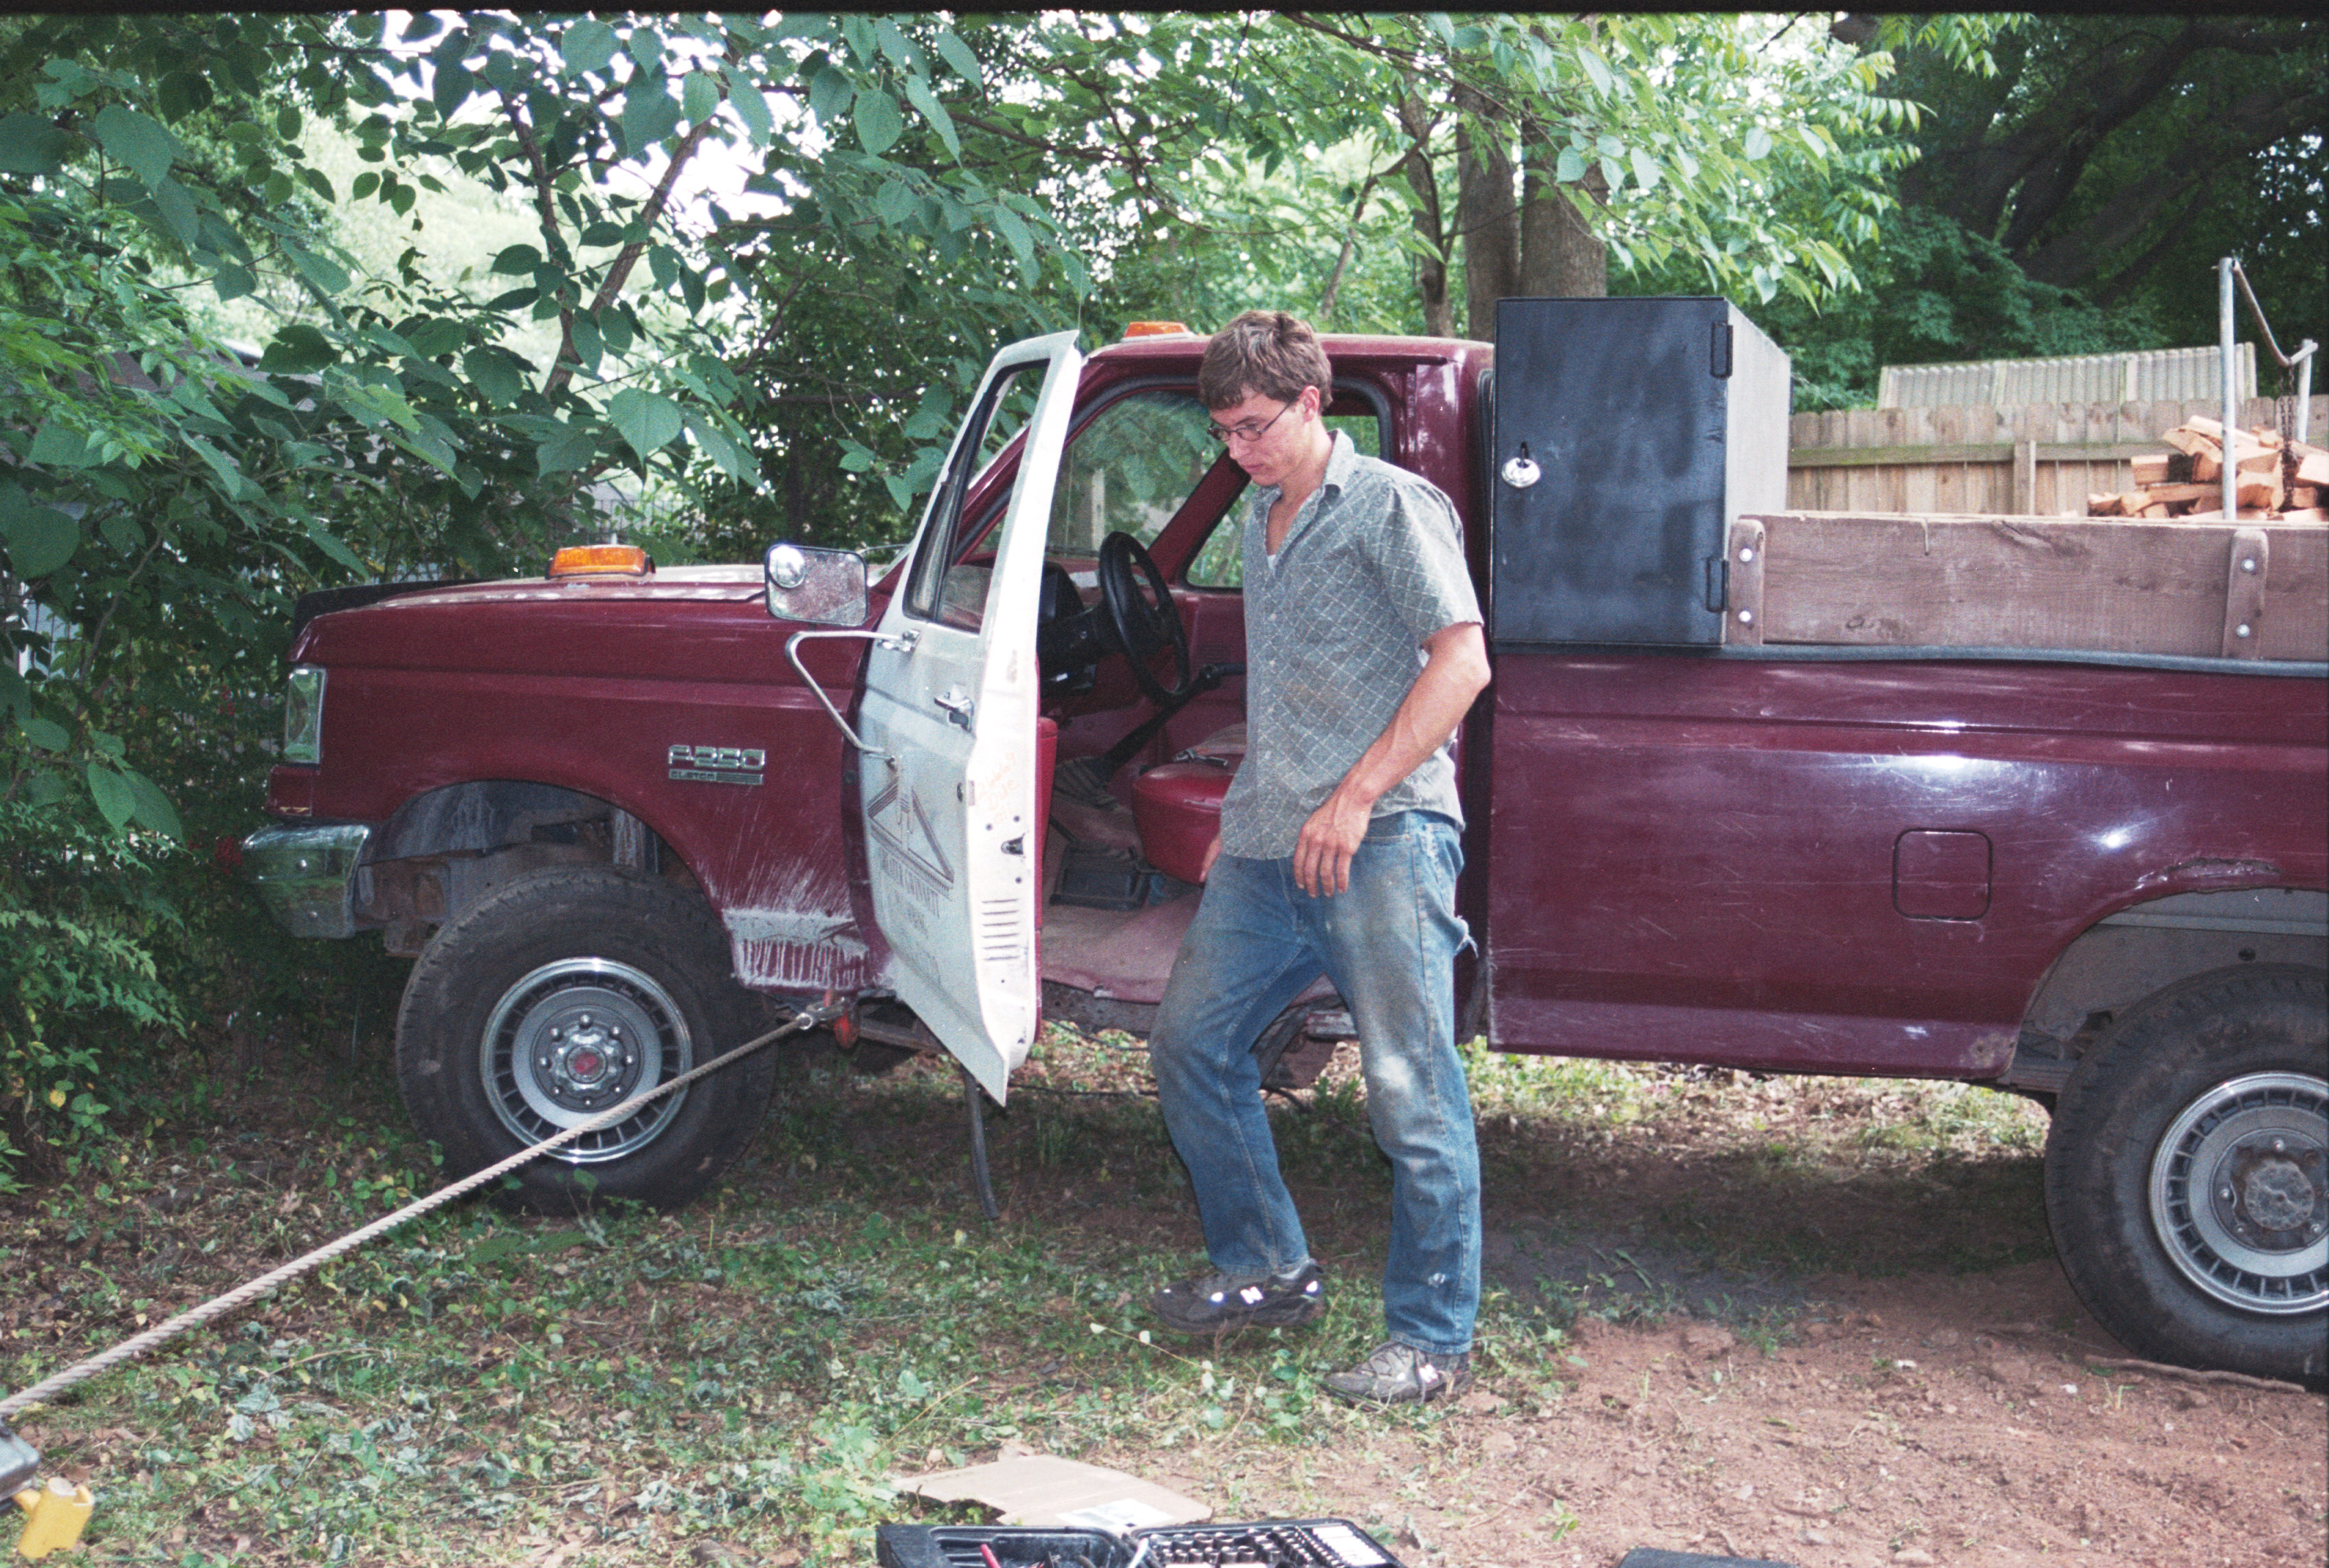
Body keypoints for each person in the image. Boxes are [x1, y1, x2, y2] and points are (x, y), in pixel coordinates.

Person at [1145, 310, 1492, 1405]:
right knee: (1191, 1046)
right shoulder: (1261, 516)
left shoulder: (1393, 506)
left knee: (1411, 1088)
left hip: (1383, 839)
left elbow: (1463, 664)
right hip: (1267, 845)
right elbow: (1296, 682)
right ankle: (1266, 1271)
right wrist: (1248, 813)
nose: (1238, 450)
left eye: (1254, 427)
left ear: (1310, 403)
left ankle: (1431, 1339)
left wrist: (1354, 796)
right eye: (1224, 433)